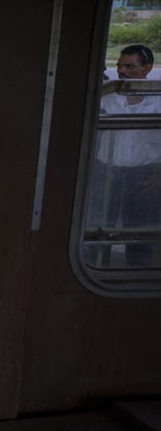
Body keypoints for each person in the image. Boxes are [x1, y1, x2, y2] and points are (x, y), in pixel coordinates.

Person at [90, 44, 161, 267]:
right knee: (100, 233)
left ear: (147, 68)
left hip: (146, 177)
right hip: (107, 173)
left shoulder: (158, 101)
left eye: (130, 66)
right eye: (119, 66)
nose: (122, 71)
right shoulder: (107, 96)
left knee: (139, 236)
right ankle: (97, 274)